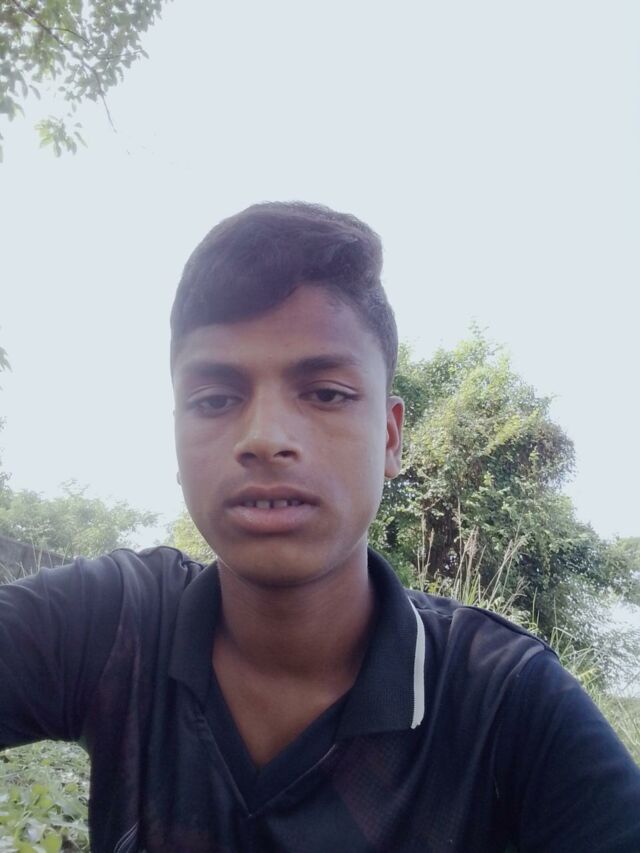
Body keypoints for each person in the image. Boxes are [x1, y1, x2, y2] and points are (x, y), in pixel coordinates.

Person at [1, 202, 639, 853]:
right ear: (176, 437)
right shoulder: (115, 624)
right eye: (214, 399)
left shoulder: (503, 700)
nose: (264, 437)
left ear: (390, 436)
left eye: (326, 393)